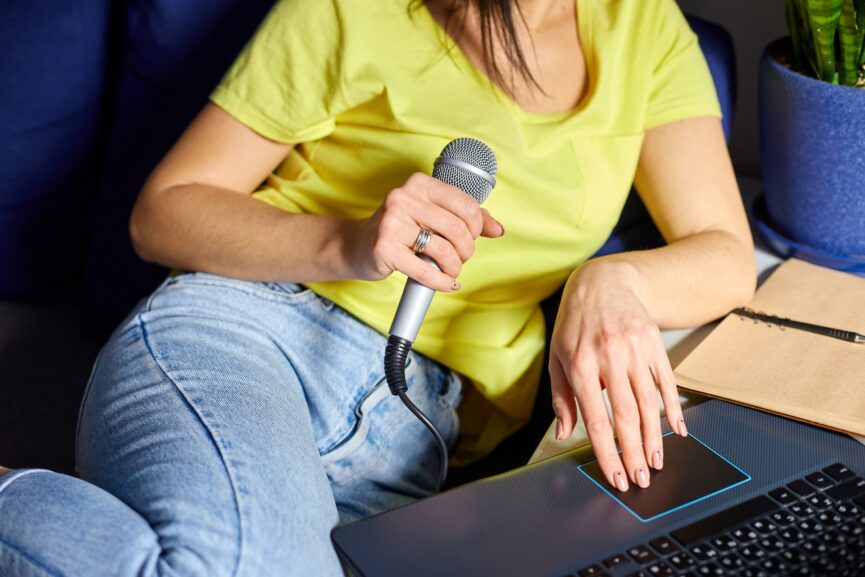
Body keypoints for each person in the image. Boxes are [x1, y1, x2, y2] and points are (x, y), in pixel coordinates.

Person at [0, 0, 755, 575]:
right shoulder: (354, 9)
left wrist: (613, 279)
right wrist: (353, 238)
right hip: (246, 335)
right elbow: (162, 208)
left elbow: (723, 252)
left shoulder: (642, 28)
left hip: (417, 433)